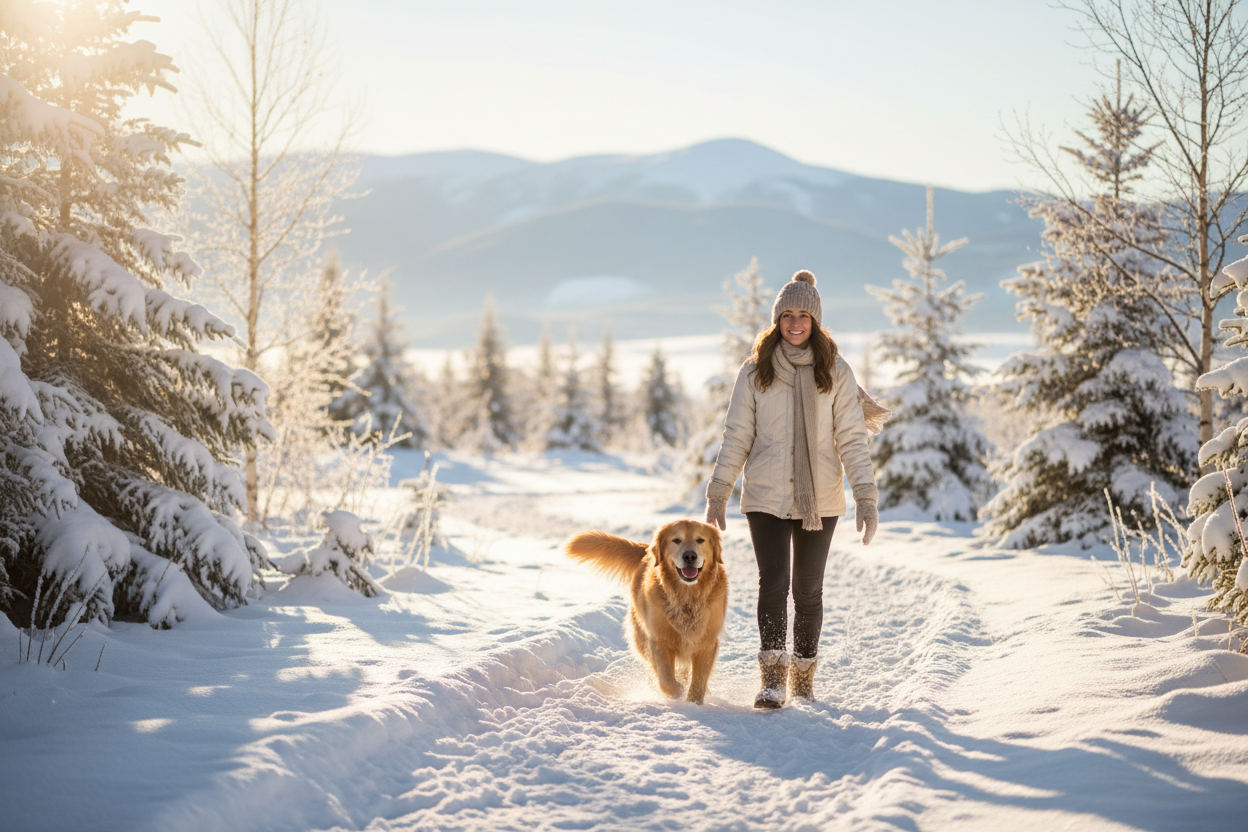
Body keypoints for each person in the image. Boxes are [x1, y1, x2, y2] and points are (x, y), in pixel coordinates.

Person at [704, 269, 882, 709]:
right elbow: (736, 436)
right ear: (777, 319)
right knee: (773, 583)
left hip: (820, 495)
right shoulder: (755, 371)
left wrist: (865, 497)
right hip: (764, 493)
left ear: (816, 320)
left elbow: (852, 439)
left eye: (804, 315)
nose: (796, 323)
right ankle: (771, 680)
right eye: (788, 315)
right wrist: (719, 489)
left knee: (807, 589)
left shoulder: (835, 372)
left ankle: (803, 677)